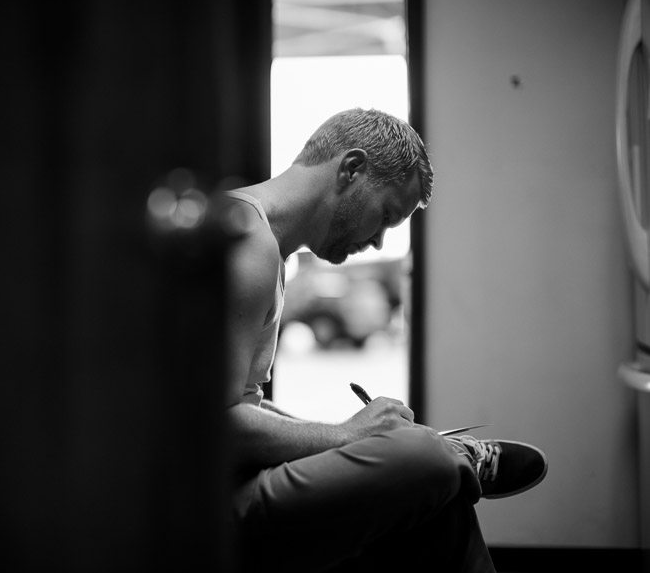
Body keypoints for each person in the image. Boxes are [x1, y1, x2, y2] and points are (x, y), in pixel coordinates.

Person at [223, 108, 547, 573]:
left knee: (435, 500)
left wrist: (356, 441)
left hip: (230, 481)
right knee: (425, 459)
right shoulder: (247, 241)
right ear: (351, 169)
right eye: (386, 217)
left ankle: (445, 462)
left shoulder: (264, 241)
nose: (377, 244)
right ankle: (451, 456)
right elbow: (211, 429)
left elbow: (237, 404)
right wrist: (347, 436)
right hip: (203, 504)